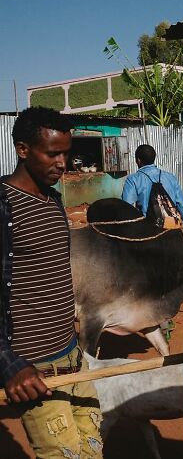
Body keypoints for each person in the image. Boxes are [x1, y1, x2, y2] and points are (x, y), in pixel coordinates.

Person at [1, 107, 103, 457]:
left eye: (66, 153)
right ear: (23, 149)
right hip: (34, 371)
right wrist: (8, 364)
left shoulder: (53, 200)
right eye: (53, 153)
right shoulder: (4, 206)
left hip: (73, 358)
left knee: (91, 450)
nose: (63, 163)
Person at [121, 144, 183, 227]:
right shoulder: (170, 177)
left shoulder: (133, 179)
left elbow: (126, 207)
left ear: (138, 160)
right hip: (172, 229)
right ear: (154, 158)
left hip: (149, 230)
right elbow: (182, 204)